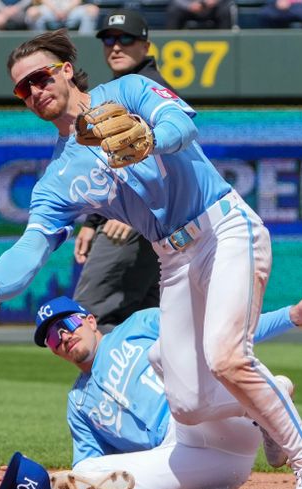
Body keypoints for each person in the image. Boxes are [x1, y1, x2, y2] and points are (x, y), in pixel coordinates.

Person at [0, 29, 302, 489]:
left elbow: (182, 125)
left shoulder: (125, 91)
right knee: (188, 404)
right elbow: (34, 242)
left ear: (65, 69)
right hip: (173, 258)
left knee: (227, 357)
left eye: (39, 77)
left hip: (222, 226)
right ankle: (271, 408)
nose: (34, 91)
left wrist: (150, 139)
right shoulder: (57, 177)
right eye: (22, 89)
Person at [32, 291, 302, 489]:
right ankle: (267, 405)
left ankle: (263, 403)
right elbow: (88, 469)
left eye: (67, 325)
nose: (64, 337)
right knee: (85, 468)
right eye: (53, 338)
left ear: (90, 321)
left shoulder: (138, 325)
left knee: (162, 352)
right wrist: (36, 480)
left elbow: (222, 336)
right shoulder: (78, 403)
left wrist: (293, 315)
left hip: (216, 420)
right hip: (197, 462)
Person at [72, 10, 171, 332]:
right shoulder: (120, 89)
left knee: (90, 320)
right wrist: (93, 220)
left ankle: (105, 384)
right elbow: (112, 165)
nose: (116, 46)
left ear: (146, 45)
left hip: (136, 223)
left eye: (126, 38)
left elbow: (170, 160)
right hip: (137, 222)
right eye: (109, 39)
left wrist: (132, 213)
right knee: (147, 324)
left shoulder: (150, 88)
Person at [25, 0, 99, 34]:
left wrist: (66, 11)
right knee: (32, 12)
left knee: (93, 10)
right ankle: (39, 43)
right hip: (50, 10)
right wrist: (55, 11)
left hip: (72, 11)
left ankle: (84, 41)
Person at [165, 0, 236, 29]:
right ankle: (171, 40)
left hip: (213, 8)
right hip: (190, 8)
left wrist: (215, 1)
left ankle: (225, 39)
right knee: (174, 9)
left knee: (225, 9)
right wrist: (189, 6)